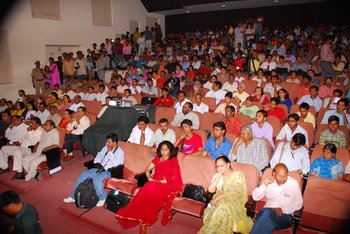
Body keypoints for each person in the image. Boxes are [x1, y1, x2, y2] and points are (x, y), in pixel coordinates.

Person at [116, 141, 183, 232]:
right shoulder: (157, 158)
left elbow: (173, 178)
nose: (163, 152)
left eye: (166, 150)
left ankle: (144, 222)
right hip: (154, 182)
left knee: (151, 188)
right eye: (162, 149)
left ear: (170, 151)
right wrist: (149, 176)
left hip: (167, 184)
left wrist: (157, 181)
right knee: (146, 189)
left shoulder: (173, 161)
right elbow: (147, 169)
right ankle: (134, 214)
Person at [63, 133, 124, 207]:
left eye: (109, 142)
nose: (107, 143)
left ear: (115, 143)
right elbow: (100, 154)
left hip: (110, 171)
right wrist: (96, 161)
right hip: (99, 167)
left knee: (97, 179)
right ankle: (73, 197)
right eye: (106, 141)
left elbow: (116, 164)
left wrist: (111, 152)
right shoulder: (105, 147)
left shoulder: (120, 152)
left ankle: (102, 197)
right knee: (83, 175)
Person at [198, 156, 252, 234]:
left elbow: (235, 192)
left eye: (221, 166)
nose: (219, 168)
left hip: (234, 202)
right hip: (219, 201)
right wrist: (219, 175)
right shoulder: (217, 175)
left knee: (223, 207)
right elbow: (210, 190)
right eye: (217, 166)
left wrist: (217, 199)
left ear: (228, 164)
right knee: (222, 206)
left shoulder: (237, 175)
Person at [250, 163, 303, 234]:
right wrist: (265, 184)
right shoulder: (269, 181)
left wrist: (282, 209)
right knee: (266, 217)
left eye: (285, 176)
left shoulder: (293, 183)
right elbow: (255, 197)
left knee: (264, 216)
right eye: (280, 176)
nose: (283, 179)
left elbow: (299, 203)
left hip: (285, 216)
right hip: (267, 213)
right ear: (274, 174)